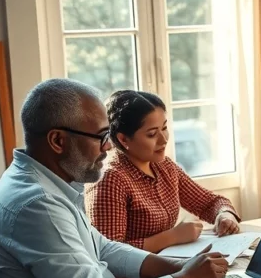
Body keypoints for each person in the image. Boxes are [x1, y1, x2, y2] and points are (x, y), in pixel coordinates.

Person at [0, 79, 229, 278]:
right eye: (101, 137)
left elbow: (102, 248)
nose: (108, 147)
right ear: (58, 140)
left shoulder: (42, 184)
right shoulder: (38, 205)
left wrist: (177, 268)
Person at [86, 90, 241, 253]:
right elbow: (109, 252)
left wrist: (224, 215)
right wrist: (172, 237)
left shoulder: (164, 167)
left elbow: (209, 203)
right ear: (123, 139)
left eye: (164, 128)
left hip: (167, 265)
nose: (164, 139)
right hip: (135, 277)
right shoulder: (110, 179)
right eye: (152, 134)